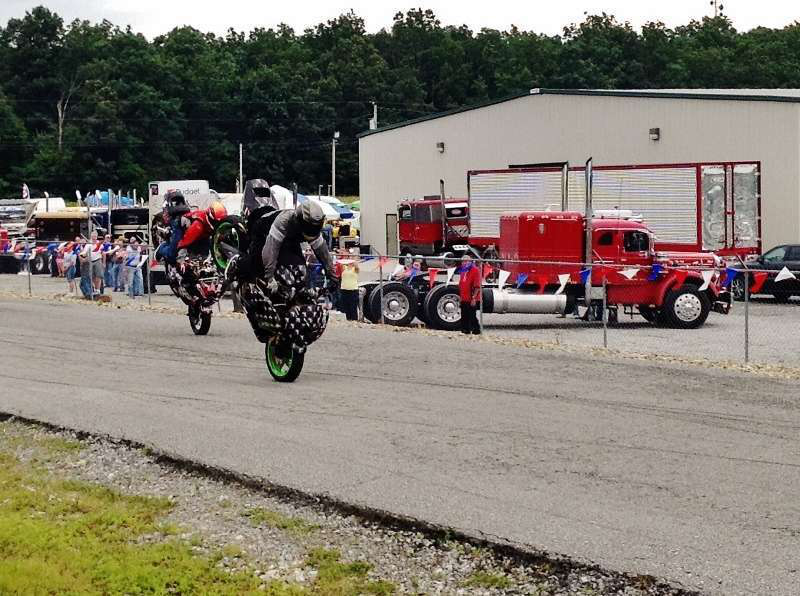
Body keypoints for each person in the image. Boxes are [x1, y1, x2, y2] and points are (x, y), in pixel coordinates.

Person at [225, 181, 338, 293]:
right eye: (309, 227)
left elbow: (323, 253)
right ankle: (238, 265)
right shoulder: (284, 222)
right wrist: (269, 278)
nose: (311, 231)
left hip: (289, 239)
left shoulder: (311, 227)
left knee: (301, 270)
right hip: (263, 231)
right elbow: (271, 248)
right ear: (300, 221)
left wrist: (332, 276)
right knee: (257, 266)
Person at [458, 254, 481, 335]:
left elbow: (477, 286)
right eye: (463, 261)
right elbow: (461, 284)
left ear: (470, 261)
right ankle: (465, 330)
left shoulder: (475, 270)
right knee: (464, 314)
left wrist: (474, 298)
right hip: (464, 296)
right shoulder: (463, 271)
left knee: (471, 315)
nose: (464, 263)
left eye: (466, 261)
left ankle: (476, 330)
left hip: (471, 297)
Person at [339, 249, 360, 321]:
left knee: (353, 307)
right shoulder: (344, 267)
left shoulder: (355, 268)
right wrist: (344, 254)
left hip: (353, 289)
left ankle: (354, 320)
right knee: (346, 307)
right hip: (344, 289)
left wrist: (353, 256)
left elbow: (356, 263)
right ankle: (348, 319)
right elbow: (341, 261)